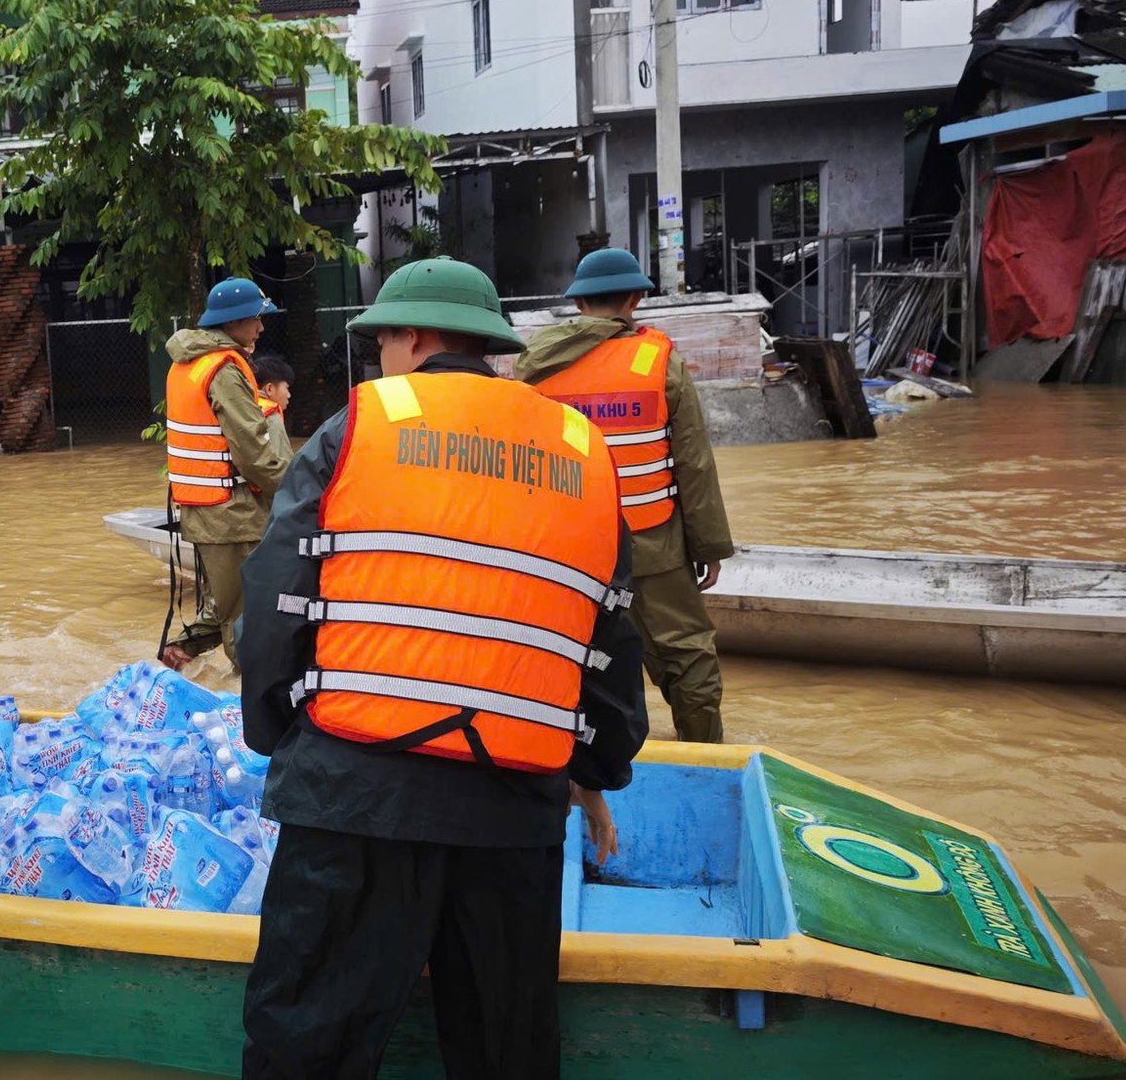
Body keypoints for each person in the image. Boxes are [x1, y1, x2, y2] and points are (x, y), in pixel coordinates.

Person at [239, 257, 648, 1078]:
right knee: (506, 1057)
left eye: (383, 340)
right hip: (511, 819)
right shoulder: (581, 456)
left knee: (304, 1051)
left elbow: (276, 603)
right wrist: (593, 766)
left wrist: (283, 737)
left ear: (412, 336)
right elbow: (609, 648)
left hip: (352, 800)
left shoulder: (358, 426)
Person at [515, 247, 734, 743]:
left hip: (566, 550)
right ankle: (704, 757)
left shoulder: (535, 368)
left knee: (578, 659)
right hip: (652, 542)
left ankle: (596, 769)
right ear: (636, 298)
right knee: (686, 655)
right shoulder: (660, 362)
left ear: (578, 303)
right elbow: (694, 463)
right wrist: (710, 548)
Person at [160, 278, 292, 673]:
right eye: (256, 319)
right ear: (233, 323)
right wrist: (301, 491)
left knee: (230, 604)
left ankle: (182, 656)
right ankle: (246, 710)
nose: (261, 327)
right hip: (231, 514)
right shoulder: (223, 369)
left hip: (204, 511)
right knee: (246, 620)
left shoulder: (186, 362)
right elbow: (253, 452)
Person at [251, 353, 295, 463]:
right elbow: (282, 461)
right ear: (270, 389)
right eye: (287, 388)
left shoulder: (244, 406)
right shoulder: (271, 417)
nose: (289, 395)